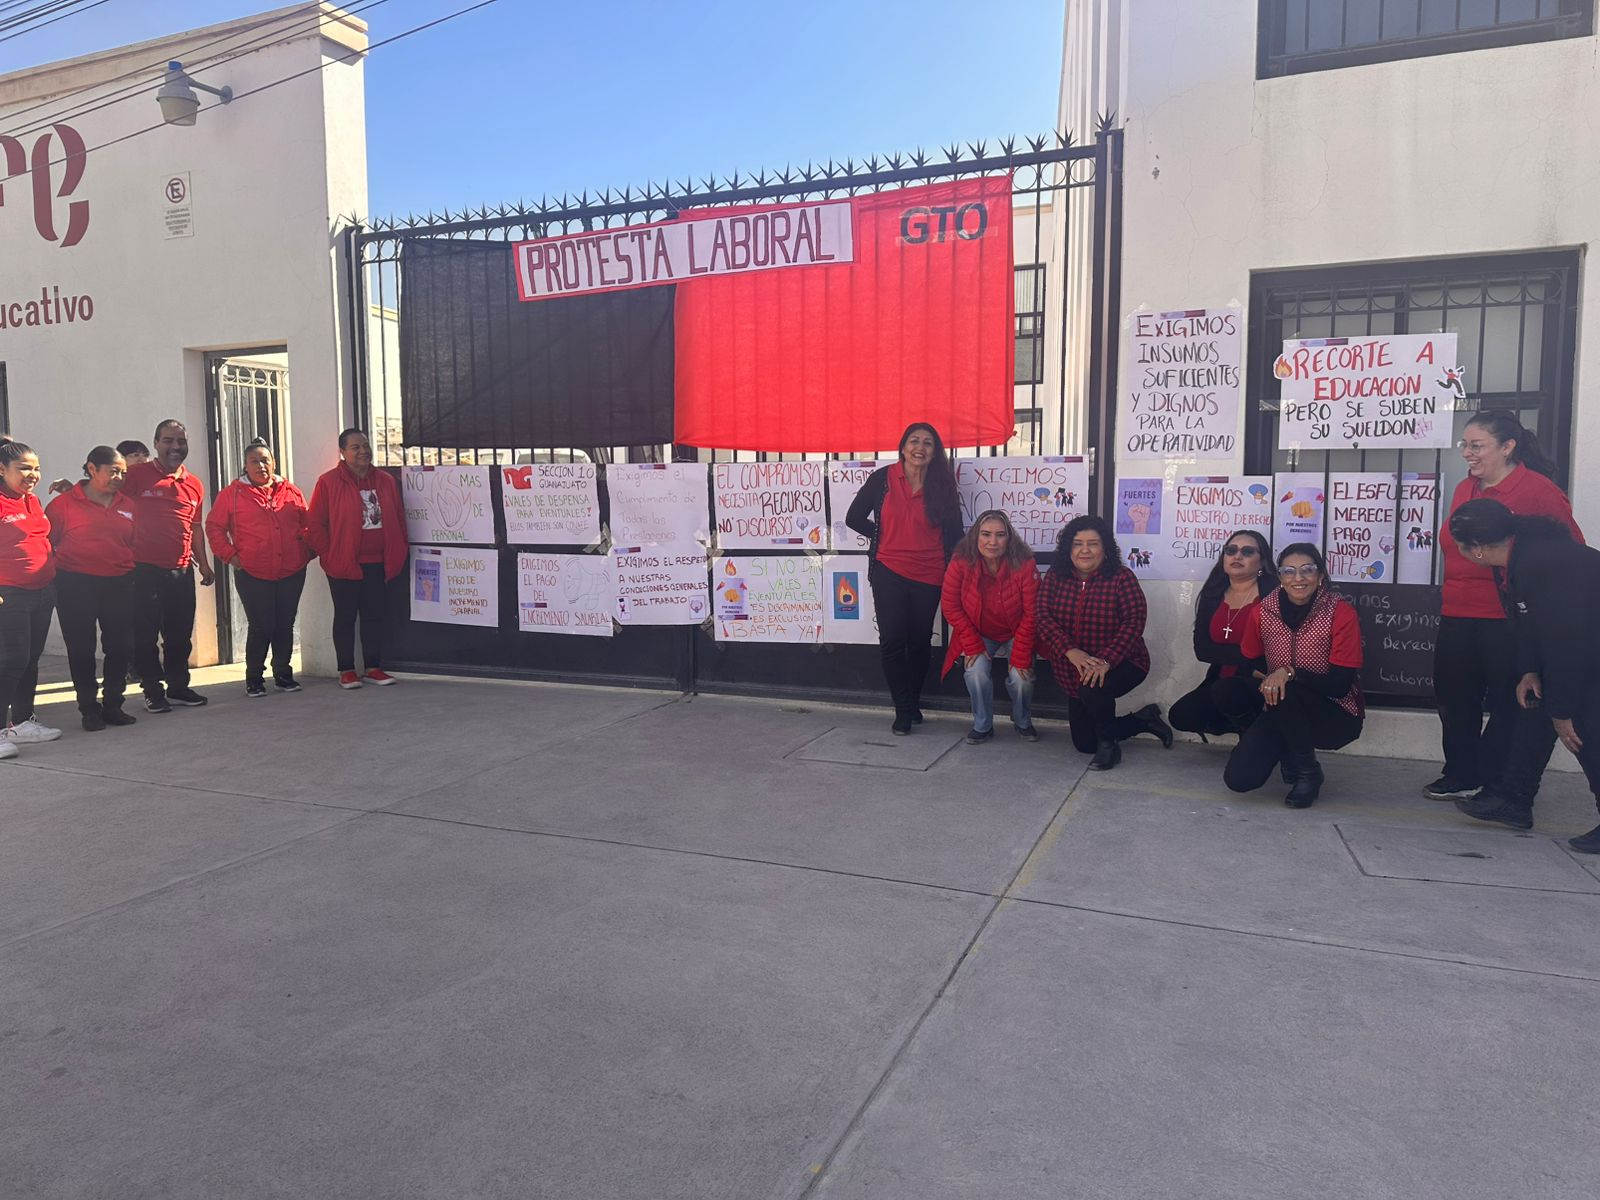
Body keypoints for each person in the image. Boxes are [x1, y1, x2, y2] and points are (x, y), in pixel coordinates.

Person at [1427, 410, 1581, 802]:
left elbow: (1570, 553)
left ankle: (1497, 780)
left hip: (1507, 617)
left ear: (1508, 446)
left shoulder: (1539, 491)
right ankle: (1461, 773)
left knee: (1508, 703)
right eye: (1464, 444)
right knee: (1454, 699)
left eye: (1477, 445)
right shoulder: (1465, 488)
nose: (1467, 453)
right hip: (1458, 610)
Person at [1444, 499, 1600, 851]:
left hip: (1586, 652)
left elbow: (1566, 643)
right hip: (1578, 648)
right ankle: (1515, 799)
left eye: (1459, 546)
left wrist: (1562, 710)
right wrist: (1530, 670)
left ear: (1477, 549)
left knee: (1582, 729)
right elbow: (1532, 624)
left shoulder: (1540, 564)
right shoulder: (1519, 558)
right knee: (1535, 704)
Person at [845, 422, 964, 734]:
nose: (919, 448)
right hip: (888, 571)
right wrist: (882, 535)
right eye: (914, 441)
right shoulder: (882, 479)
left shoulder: (943, 485)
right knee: (892, 640)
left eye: (927, 443)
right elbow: (853, 517)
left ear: (935, 452)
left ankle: (913, 701)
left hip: (930, 573)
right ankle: (903, 709)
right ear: (902, 447)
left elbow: (955, 533)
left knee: (920, 641)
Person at [1223, 544, 1364, 808]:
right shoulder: (1263, 611)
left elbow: (1340, 685)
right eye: (1289, 571)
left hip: (1334, 714)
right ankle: (1284, 746)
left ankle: (1308, 773)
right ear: (1280, 577)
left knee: (1287, 690)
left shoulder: (1340, 613)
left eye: (1307, 570)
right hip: (1281, 705)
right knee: (1239, 779)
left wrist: (1290, 673)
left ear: (1320, 575)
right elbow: (1248, 660)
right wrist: (1268, 679)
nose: (1298, 578)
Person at [1036, 514, 1171, 770]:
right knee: (1085, 743)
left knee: (1094, 686)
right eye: (1077, 544)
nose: (1085, 550)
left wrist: (1106, 659)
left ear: (1105, 548)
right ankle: (1143, 720)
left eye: (1093, 543)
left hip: (1125, 662)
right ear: (1068, 549)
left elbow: (1133, 622)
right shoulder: (1055, 576)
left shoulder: (1121, 577)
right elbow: (1042, 617)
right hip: (1073, 667)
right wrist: (1070, 651)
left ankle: (1110, 746)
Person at [205, 438, 313, 698]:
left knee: (285, 624)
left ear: (273, 463)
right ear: (245, 466)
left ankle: (283, 674)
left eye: (265, 460)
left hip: (291, 570)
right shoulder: (232, 494)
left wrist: (308, 551)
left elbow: (307, 522)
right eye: (254, 461)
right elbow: (214, 527)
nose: (260, 466)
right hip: (252, 572)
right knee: (262, 625)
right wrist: (231, 556)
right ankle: (254, 678)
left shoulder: (291, 491)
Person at [305, 428, 407, 689]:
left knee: (374, 616)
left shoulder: (385, 481)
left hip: (379, 562)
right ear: (342, 452)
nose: (363, 451)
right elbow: (315, 524)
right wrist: (329, 554)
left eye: (365, 445)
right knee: (345, 617)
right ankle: (346, 670)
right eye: (355, 447)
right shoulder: (328, 482)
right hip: (344, 563)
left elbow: (398, 516)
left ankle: (373, 667)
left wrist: (399, 548)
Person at [124, 420, 215, 713]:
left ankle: (178, 687)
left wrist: (204, 564)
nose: (176, 447)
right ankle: (152, 691)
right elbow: (105, 494)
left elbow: (195, 527)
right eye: (168, 440)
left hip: (181, 570)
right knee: (145, 635)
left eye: (181, 441)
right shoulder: (135, 475)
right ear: (155, 443)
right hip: (142, 569)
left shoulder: (194, 484)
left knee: (179, 635)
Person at [46, 446, 139, 732]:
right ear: (91, 469)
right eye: (113, 471)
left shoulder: (128, 505)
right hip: (75, 584)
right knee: (81, 648)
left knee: (120, 646)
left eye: (123, 473)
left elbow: (132, 542)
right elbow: (48, 542)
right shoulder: (63, 505)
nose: (119, 477)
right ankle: (89, 709)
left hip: (119, 583)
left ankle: (113, 705)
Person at [940, 509, 1039, 745]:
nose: (992, 542)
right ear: (976, 536)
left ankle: (1022, 720)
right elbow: (950, 606)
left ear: (1009, 538)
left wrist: (1021, 653)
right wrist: (972, 643)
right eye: (986, 534)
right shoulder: (960, 562)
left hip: (1017, 631)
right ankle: (983, 724)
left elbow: (1033, 612)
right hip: (978, 631)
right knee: (975, 672)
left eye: (1000, 535)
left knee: (1022, 677)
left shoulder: (1025, 563)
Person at [1168, 530, 1279, 739]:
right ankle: (1248, 726)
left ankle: (1259, 738)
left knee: (1228, 692)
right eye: (1231, 550)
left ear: (1262, 561)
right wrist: (1249, 660)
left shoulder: (1274, 594)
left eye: (1247, 552)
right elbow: (1203, 650)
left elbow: (1276, 647)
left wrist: (1239, 659)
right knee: (1181, 716)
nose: (1237, 556)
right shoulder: (1213, 592)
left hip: (1263, 678)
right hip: (1225, 677)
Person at [0, 436, 61, 756]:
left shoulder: (32, 500)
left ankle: (22, 722)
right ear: (2, 469)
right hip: (9, 594)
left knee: (30, 660)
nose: (33, 475)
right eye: (24, 468)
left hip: (42, 591)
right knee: (11, 660)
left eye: (36, 468)